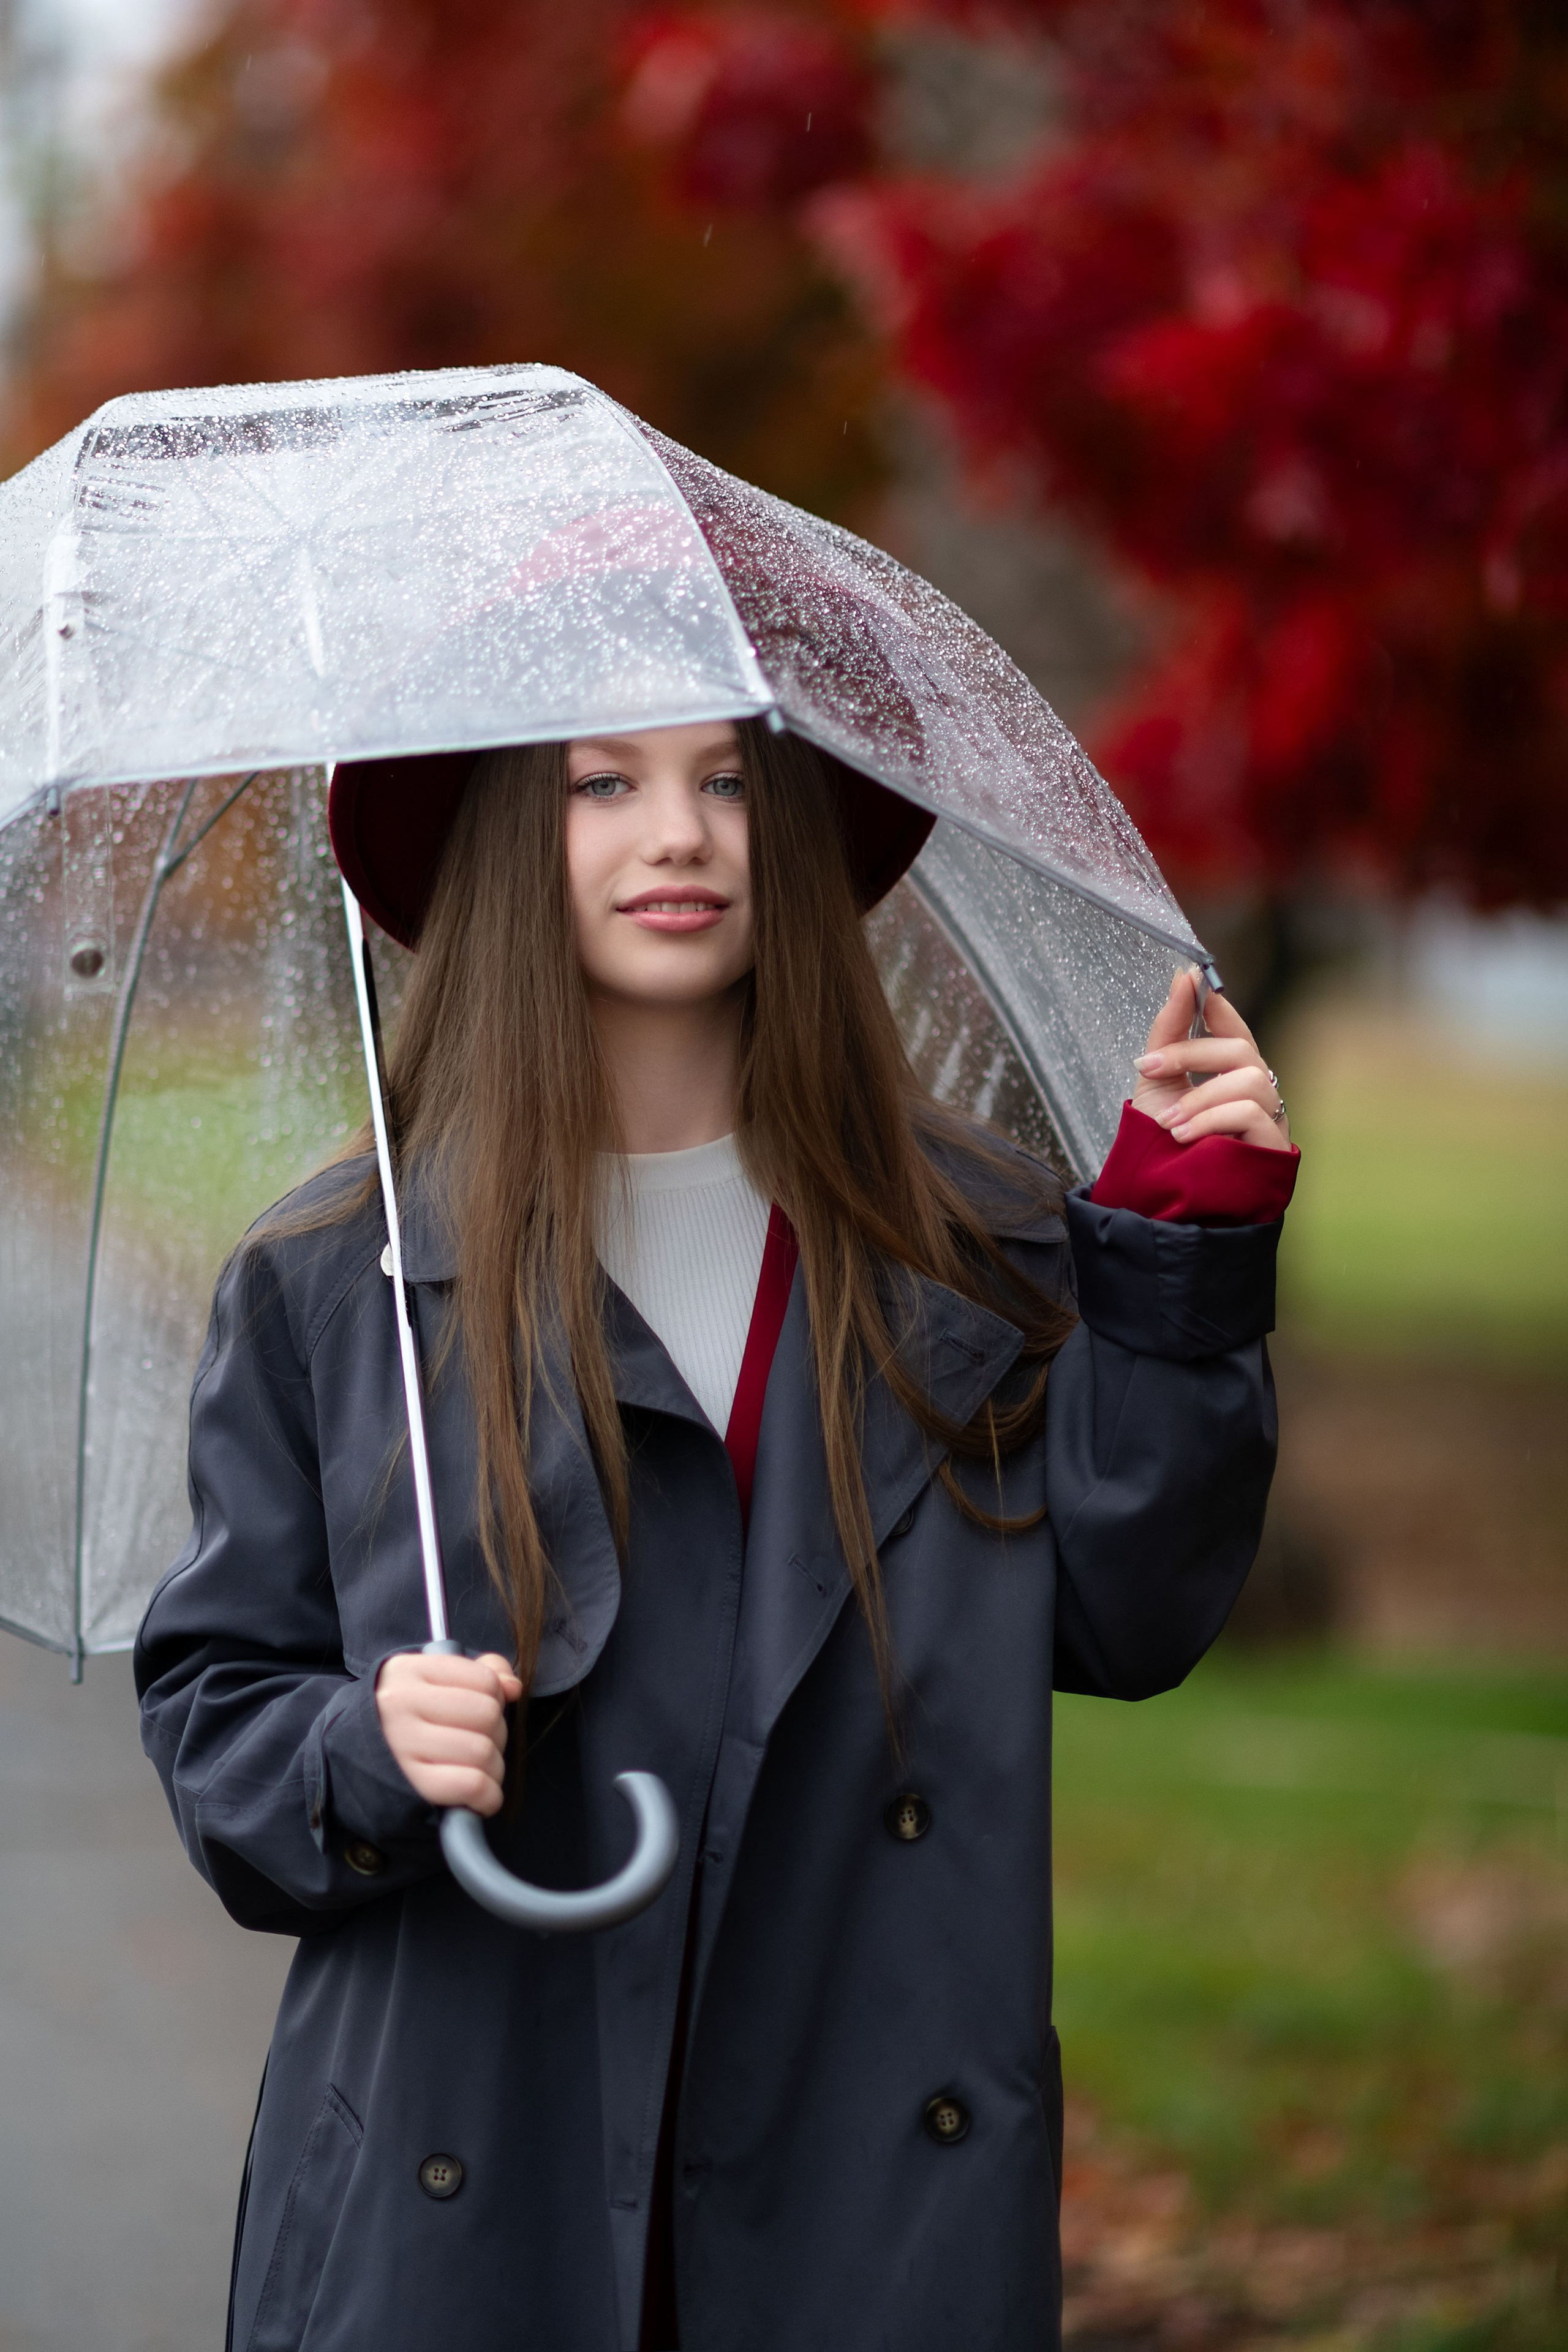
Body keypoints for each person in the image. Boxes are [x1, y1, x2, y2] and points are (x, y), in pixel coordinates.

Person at [136, 716, 1297, 2352]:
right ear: (496, 838)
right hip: (463, 2202)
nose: (678, 832)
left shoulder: (983, 1250)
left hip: (863, 2198)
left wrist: (1179, 1265)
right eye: (601, 783)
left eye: (734, 781)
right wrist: (359, 1742)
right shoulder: (343, 1279)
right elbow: (216, 1721)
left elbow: (1132, 1611)